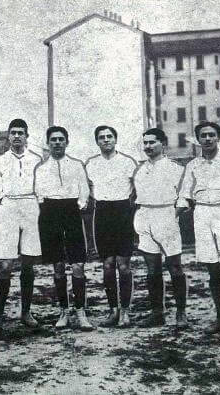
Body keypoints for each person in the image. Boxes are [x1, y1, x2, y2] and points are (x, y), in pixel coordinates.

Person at [178, 121, 220, 336]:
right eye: (203, 136)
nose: (207, 139)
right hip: (203, 214)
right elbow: (185, 194)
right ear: (198, 140)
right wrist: (176, 213)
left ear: (218, 138)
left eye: (211, 135)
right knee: (213, 269)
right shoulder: (192, 166)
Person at [34, 126, 94, 331]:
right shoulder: (41, 168)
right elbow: (38, 195)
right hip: (50, 214)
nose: (57, 143)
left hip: (71, 213)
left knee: (78, 265)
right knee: (58, 266)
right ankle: (64, 311)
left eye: (61, 139)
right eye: (53, 140)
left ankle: (80, 311)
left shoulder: (77, 165)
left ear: (67, 142)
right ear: (48, 143)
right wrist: (49, 210)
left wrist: (75, 207)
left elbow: (84, 192)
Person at [0, 119, 43, 335]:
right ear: (8, 137)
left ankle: (26, 312)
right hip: (9, 205)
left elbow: (41, 187)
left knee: (28, 263)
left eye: (21, 132)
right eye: (13, 133)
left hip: (30, 206)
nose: (17, 136)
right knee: (4, 265)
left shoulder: (37, 159)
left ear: (27, 136)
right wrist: (3, 203)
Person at [133, 128, 189, 329]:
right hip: (145, 216)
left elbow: (184, 197)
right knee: (152, 268)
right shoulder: (140, 169)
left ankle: (181, 313)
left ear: (163, 144)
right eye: (145, 143)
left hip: (166, 215)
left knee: (174, 266)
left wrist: (173, 214)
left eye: (152, 142)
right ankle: (158, 313)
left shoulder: (175, 168)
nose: (148, 146)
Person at [84, 126, 137, 328]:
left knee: (123, 266)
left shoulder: (128, 162)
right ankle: (113, 310)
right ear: (97, 141)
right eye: (101, 137)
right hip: (103, 213)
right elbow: (86, 189)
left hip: (123, 212)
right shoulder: (91, 164)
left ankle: (125, 311)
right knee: (107, 265)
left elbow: (137, 188)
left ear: (115, 139)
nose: (106, 140)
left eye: (109, 137)